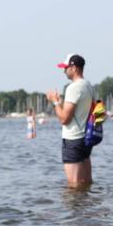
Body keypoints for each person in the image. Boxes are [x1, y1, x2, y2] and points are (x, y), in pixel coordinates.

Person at [46, 53, 97, 189]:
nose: (64, 71)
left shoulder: (73, 87)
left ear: (74, 68)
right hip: (86, 138)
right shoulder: (88, 86)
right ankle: (87, 208)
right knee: (86, 183)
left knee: (73, 186)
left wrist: (55, 102)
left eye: (66, 67)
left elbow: (64, 119)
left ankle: (74, 210)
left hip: (73, 139)